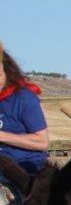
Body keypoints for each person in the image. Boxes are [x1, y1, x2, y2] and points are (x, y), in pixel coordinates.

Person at [0, 40, 50, 177]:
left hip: (21, 170)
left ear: (7, 71)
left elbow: (42, 142)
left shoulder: (24, 98)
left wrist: (2, 136)